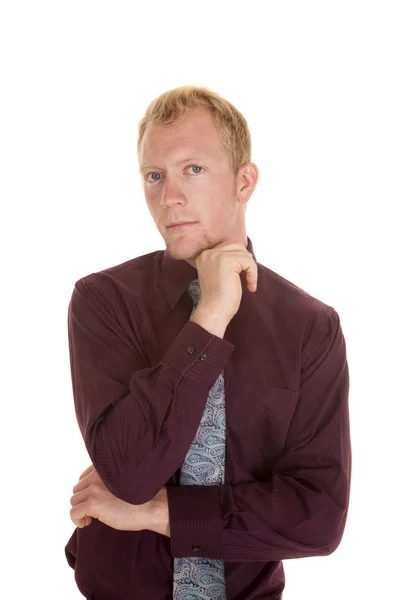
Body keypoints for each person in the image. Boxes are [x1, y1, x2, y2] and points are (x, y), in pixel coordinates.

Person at [66, 85, 352, 600]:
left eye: (193, 170)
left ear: (245, 181)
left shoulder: (311, 326)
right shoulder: (103, 301)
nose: (168, 196)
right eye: (154, 175)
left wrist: (159, 514)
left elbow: (318, 517)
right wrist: (209, 318)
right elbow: (130, 473)